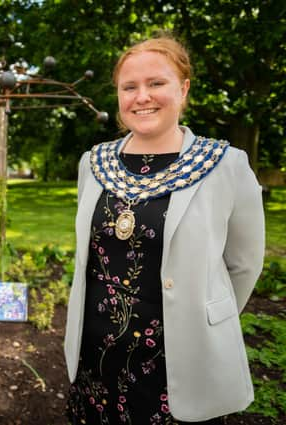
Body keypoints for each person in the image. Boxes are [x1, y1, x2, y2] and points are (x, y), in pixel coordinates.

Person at [64, 36, 264, 424]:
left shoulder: (225, 165)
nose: (142, 97)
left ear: (183, 88)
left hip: (179, 366)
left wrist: (199, 317)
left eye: (156, 83)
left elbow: (244, 265)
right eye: (129, 87)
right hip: (96, 362)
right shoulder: (93, 163)